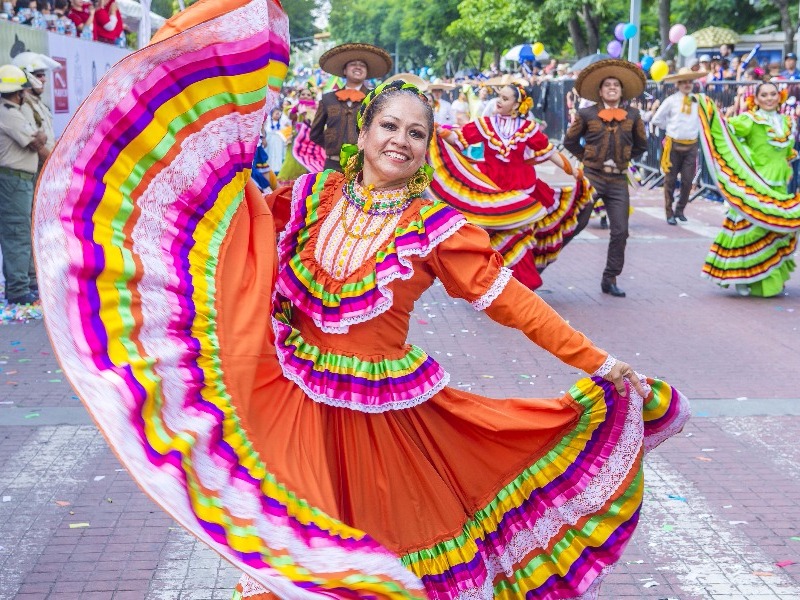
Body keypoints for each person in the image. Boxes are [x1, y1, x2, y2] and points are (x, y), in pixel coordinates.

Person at [32, 5, 690, 592]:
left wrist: (598, 362)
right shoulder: (310, 195)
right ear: (366, 131)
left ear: (427, 149)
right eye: (390, 126)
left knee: (377, 555)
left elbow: (515, 306)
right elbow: (236, 231)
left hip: (383, 422)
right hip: (290, 396)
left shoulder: (439, 229)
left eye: (416, 133)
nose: (400, 142)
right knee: (291, 549)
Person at [430, 82, 592, 290]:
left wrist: (575, 172)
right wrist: (438, 131)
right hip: (491, 191)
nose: (499, 101)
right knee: (488, 237)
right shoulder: (485, 125)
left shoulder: (528, 129)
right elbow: (459, 138)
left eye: (505, 99)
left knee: (519, 235)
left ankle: (519, 285)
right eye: (499, 96)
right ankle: (492, 282)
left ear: (517, 105)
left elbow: (550, 153)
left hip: (521, 192)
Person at [697, 82, 800, 296]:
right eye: (764, 95)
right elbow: (724, 130)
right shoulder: (750, 120)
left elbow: (788, 151)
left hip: (780, 185)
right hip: (757, 184)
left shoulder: (787, 121)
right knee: (751, 229)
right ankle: (745, 276)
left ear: (779, 97)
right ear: (757, 99)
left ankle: (771, 276)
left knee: (776, 229)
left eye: (773, 94)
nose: (769, 98)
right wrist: (703, 105)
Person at [563, 59, 648, 298]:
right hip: (592, 177)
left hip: (619, 180)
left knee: (620, 231)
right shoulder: (586, 113)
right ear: (600, 91)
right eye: (608, 85)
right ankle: (540, 263)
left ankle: (610, 278)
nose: (612, 88)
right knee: (575, 224)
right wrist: (587, 158)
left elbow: (642, 144)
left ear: (622, 91)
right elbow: (570, 141)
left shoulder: (633, 114)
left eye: (616, 85)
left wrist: (624, 158)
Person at [0, 64, 45, 305]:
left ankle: (26, 282)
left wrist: (39, 138)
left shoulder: (12, 111)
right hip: (13, 181)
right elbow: (34, 143)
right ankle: (18, 288)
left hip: (19, 181)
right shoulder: (8, 112)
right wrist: (39, 139)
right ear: (18, 92)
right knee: (17, 233)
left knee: (23, 232)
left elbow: (38, 137)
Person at [309, 42, 392, 171]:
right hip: (332, 165)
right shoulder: (328, 99)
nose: (358, 67)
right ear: (344, 70)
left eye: (362, 65)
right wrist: (332, 144)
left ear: (367, 72)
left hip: (365, 166)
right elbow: (315, 133)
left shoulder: (376, 99)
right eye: (353, 64)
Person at [651, 67, 706, 225]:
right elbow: (657, 119)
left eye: (690, 81)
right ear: (678, 84)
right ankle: (669, 212)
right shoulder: (671, 100)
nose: (687, 85)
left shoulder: (698, 100)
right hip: (674, 144)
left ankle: (680, 209)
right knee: (670, 180)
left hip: (691, 145)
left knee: (688, 180)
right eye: (684, 82)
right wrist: (669, 129)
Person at [12, 52, 58, 171]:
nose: (44, 79)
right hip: (41, 169)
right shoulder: (24, 105)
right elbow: (36, 145)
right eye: (39, 75)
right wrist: (55, 166)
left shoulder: (38, 103)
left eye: (44, 75)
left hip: (46, 167)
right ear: (25, 77)